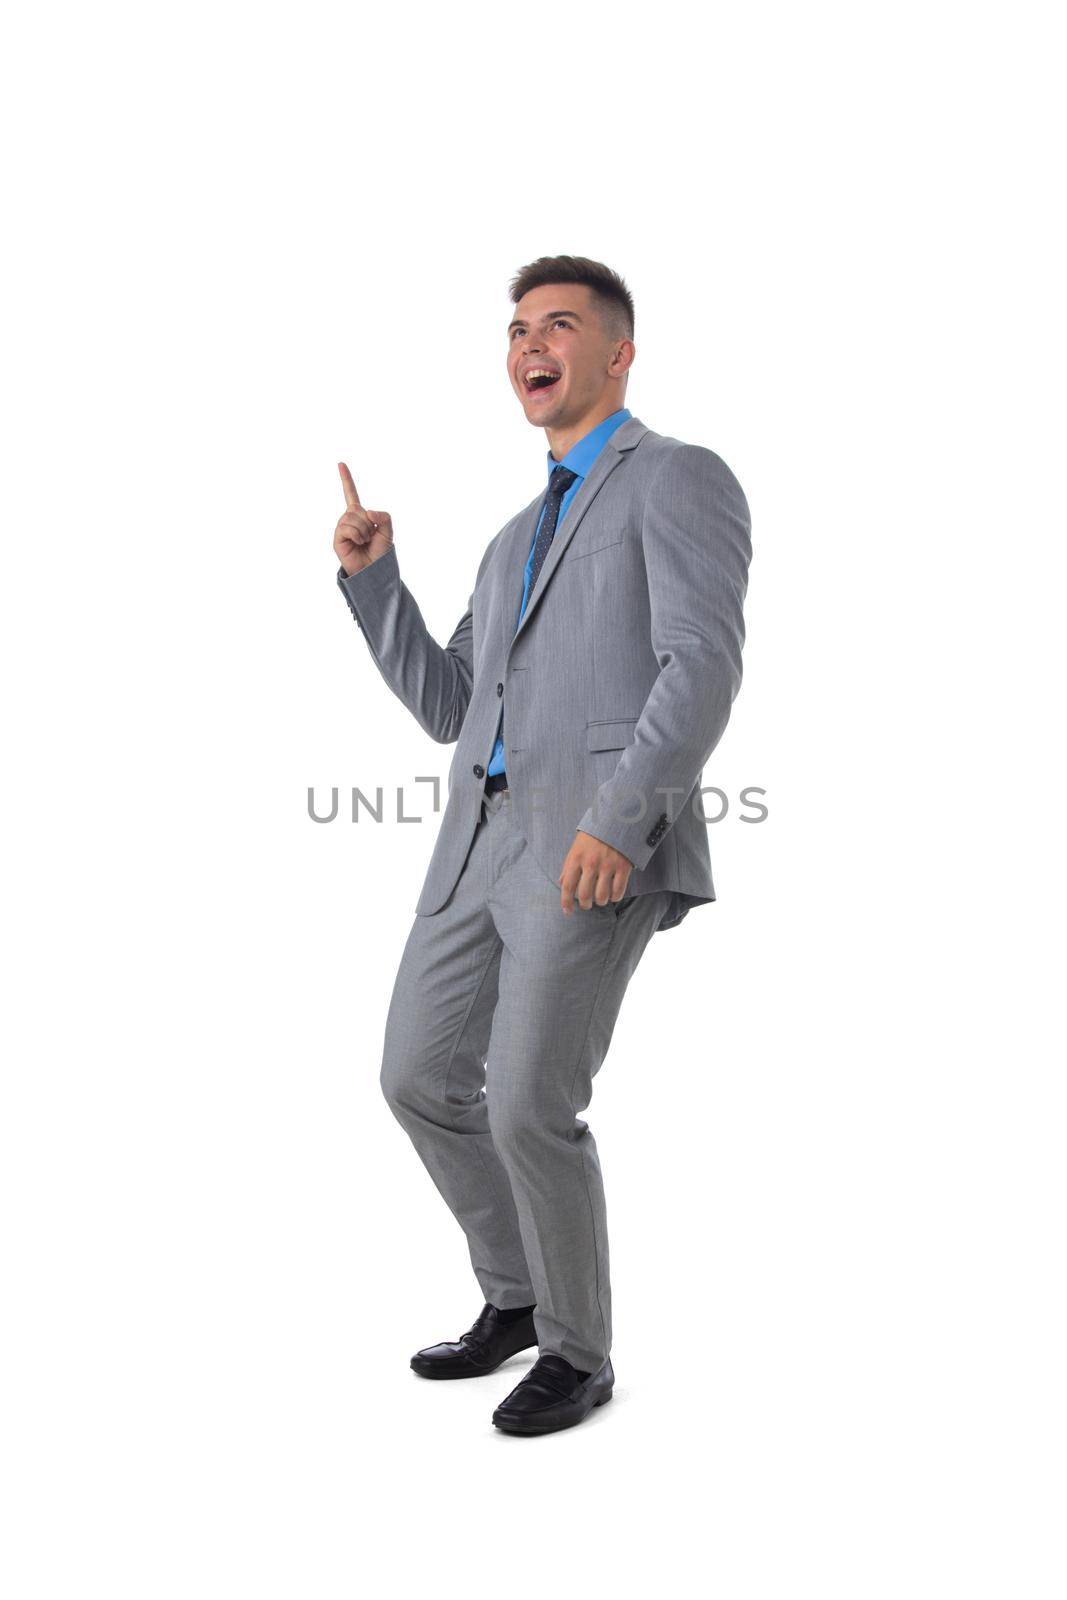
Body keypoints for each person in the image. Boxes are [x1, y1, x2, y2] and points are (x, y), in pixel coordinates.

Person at [332, 254, 752, 1435]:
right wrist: (376, 586)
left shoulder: (676, 478)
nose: (530, 342)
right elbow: (454, 704)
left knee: (525, 1102)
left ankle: (578, 1349)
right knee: (416, 1077)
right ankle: (516, 1297)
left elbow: (702, 665)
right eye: (517, 327)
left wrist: (620, 821)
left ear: (616, 352)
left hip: (591, 838)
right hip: (476, 847)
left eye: (558, 324)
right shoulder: (512, 535)